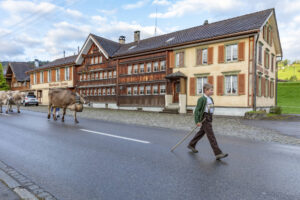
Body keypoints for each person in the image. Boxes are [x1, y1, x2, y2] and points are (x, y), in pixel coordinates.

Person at [187, 83, 228, 160]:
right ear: (205, 90)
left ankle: (191, 144)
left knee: (201, 133)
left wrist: (211, 115)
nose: (212, 92)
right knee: (211, 136)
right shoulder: (201, 99)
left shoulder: (211, 99)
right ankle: (218, 153)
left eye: (212, 90)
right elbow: (197, 111)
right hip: (204, 118)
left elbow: (211, 108)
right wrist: (197, 121)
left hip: (209, 117)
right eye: (211, 90)